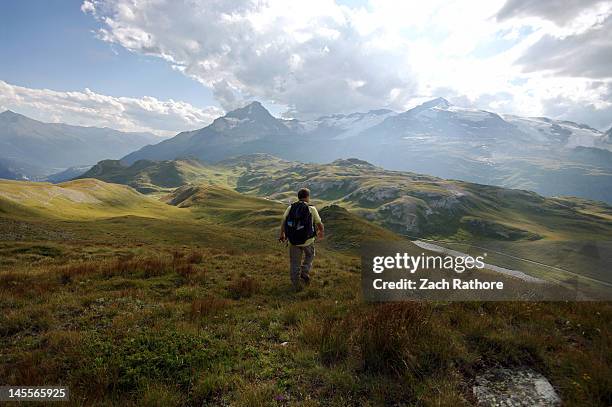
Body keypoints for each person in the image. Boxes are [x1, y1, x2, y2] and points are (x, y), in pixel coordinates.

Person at [279, 188, 324, 291]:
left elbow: (283, 222)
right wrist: (321, 232)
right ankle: (305, 271)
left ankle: (295, 285)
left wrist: (282, 234)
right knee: (310, 255)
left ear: (298, 197)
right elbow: (319, 223)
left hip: (293, 241)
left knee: (294, 263)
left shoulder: (290, 208)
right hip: (307, 241)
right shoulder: (311, 209)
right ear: (307, 197)